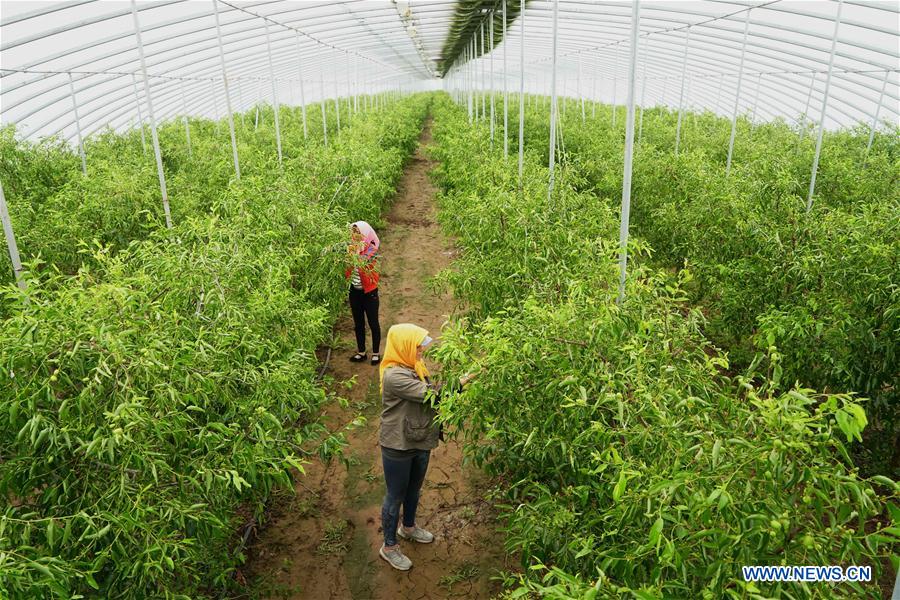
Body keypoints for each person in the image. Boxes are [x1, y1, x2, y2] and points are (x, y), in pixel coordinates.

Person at [377, 323, 475, 571]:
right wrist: (466, 378)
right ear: (403, 346)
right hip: (398, 444)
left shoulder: (415, 367)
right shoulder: (394, 375)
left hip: (419, 437)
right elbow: (434, 395)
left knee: (414, 489)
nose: (421, 349)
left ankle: (408, 527)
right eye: (417, 344)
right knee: (395, 494)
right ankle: (389, 547)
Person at [345, 221, 381, 365]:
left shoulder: (371, 248)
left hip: (369, 292)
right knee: (358, 323)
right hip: (355, 291)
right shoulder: (351, 248)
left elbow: (362, 261)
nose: (355, 235)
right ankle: (361, 352)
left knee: (373, 322)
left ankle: (376, 353)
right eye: (353, 232)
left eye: (358, 232)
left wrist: (353, 253)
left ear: (365, 234)